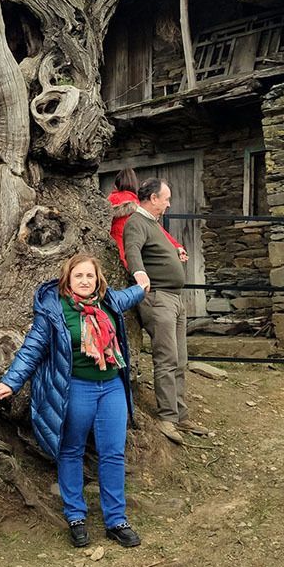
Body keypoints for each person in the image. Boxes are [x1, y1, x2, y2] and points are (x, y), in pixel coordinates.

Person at [0, 254, 149, 549]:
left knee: (113, 452)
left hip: (111, 386)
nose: (85, 281)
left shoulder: (108, 301)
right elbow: (31, 350)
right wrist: (10, 383)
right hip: (75, 388)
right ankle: (76, 516)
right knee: (71, 450)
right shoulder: (54, 310)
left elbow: (129, 296)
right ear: (67, 280)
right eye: (79, 277)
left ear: (98, 280)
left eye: (90, 276)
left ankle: (116, 520)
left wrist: (141, 286)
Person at [123, 178, 208, 445]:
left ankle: (180, 415)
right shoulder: (136, 222)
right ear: (152, 198)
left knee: (180, 359)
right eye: (166, 198)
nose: (169, 203)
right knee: (167, 358)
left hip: (175, 299)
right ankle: (167, 418)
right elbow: (132, 250)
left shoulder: (153, 224)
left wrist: (176, 250)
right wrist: (139, 273)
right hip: (158, 299)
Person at [108, 168, 186, 268]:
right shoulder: (139, 206)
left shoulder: (107, 201)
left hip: (113, 253)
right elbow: (158, 231)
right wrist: (177, 246)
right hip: (130, 258)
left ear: (116, 184)